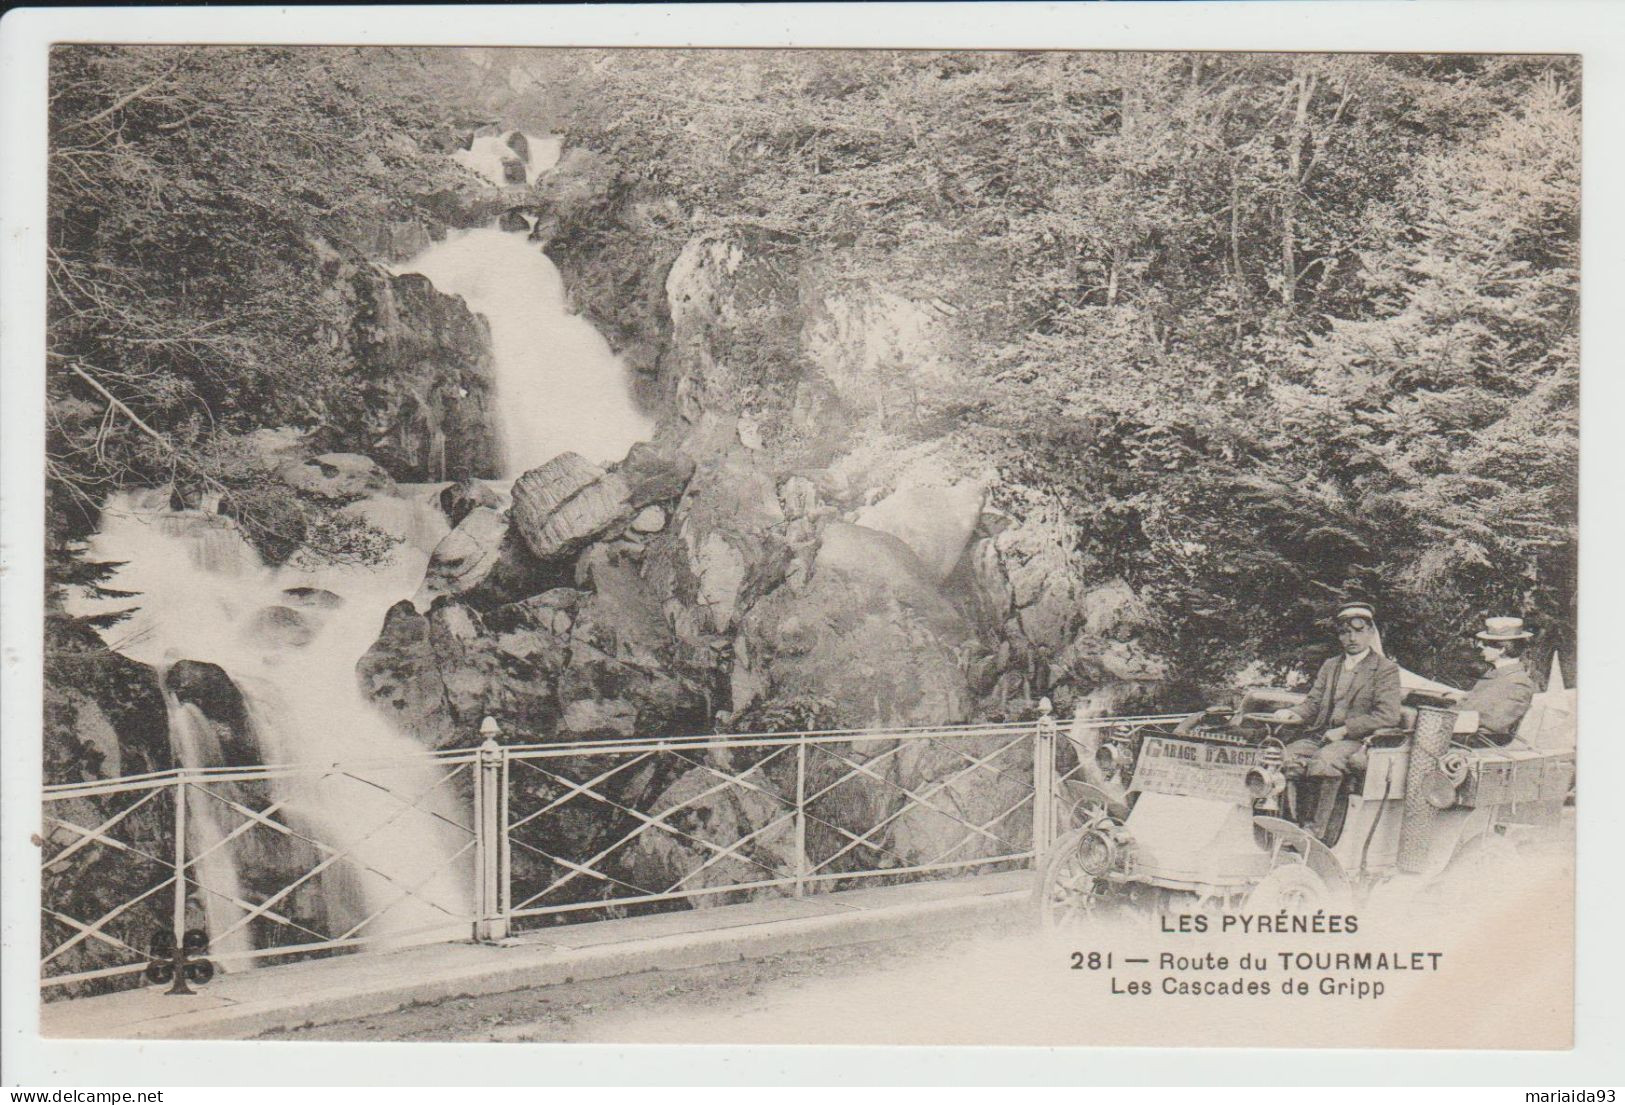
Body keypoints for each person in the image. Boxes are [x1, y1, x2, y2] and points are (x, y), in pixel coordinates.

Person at [1269, 602, 1403, 839]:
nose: (1352, 638)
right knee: (1285, 755)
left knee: (1326, 760)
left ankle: (1315, 832)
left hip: (1358, 740)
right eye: (1345, 632)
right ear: (1339, 636)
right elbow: (1313, 703)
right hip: (1322, 734)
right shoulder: (1331, 665)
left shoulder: (1385, 669)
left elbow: (1388, 715)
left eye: (1358, 631)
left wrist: (1344, 730)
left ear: (1371, 633)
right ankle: (1287, 824)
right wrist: (1294, 713)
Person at [1450, 617, 1537, 743]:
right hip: (1459, 736)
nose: (1480, 645)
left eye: (1486, 643)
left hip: (1476, 745)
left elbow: (1494, 724)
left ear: (1501, 649)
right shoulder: (1496, 675)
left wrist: (1448, 721)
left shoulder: (1518, 682)